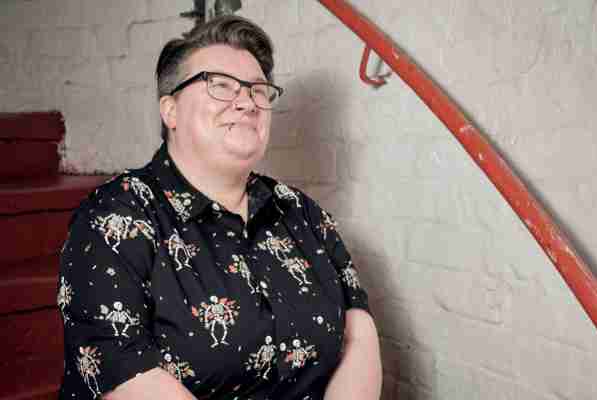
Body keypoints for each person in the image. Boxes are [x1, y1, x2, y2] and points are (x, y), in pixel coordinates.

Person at [57, 15, 381, 400]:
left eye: (258, 90)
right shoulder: (114, 217)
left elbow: (359, 336)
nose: (247, 102)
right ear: (170, 110)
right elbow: (126, 374)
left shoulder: (302, 212)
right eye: (221, 85)